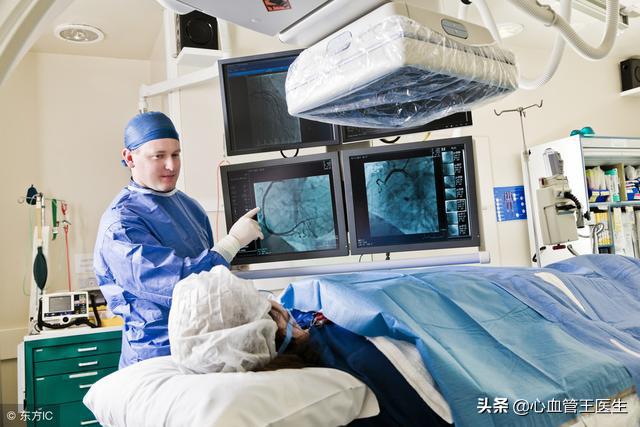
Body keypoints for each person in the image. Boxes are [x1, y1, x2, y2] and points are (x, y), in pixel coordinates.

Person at [94, 111, 263, 368]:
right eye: (159, 156)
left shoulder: (190, 207)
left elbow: (207, 275)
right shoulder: (120, 225)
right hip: (156, 354)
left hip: (204, 345)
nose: (171, 166)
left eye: (176, 154)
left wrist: (233, 266)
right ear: (129, 158)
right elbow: (181, 285)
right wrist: (231, 244)